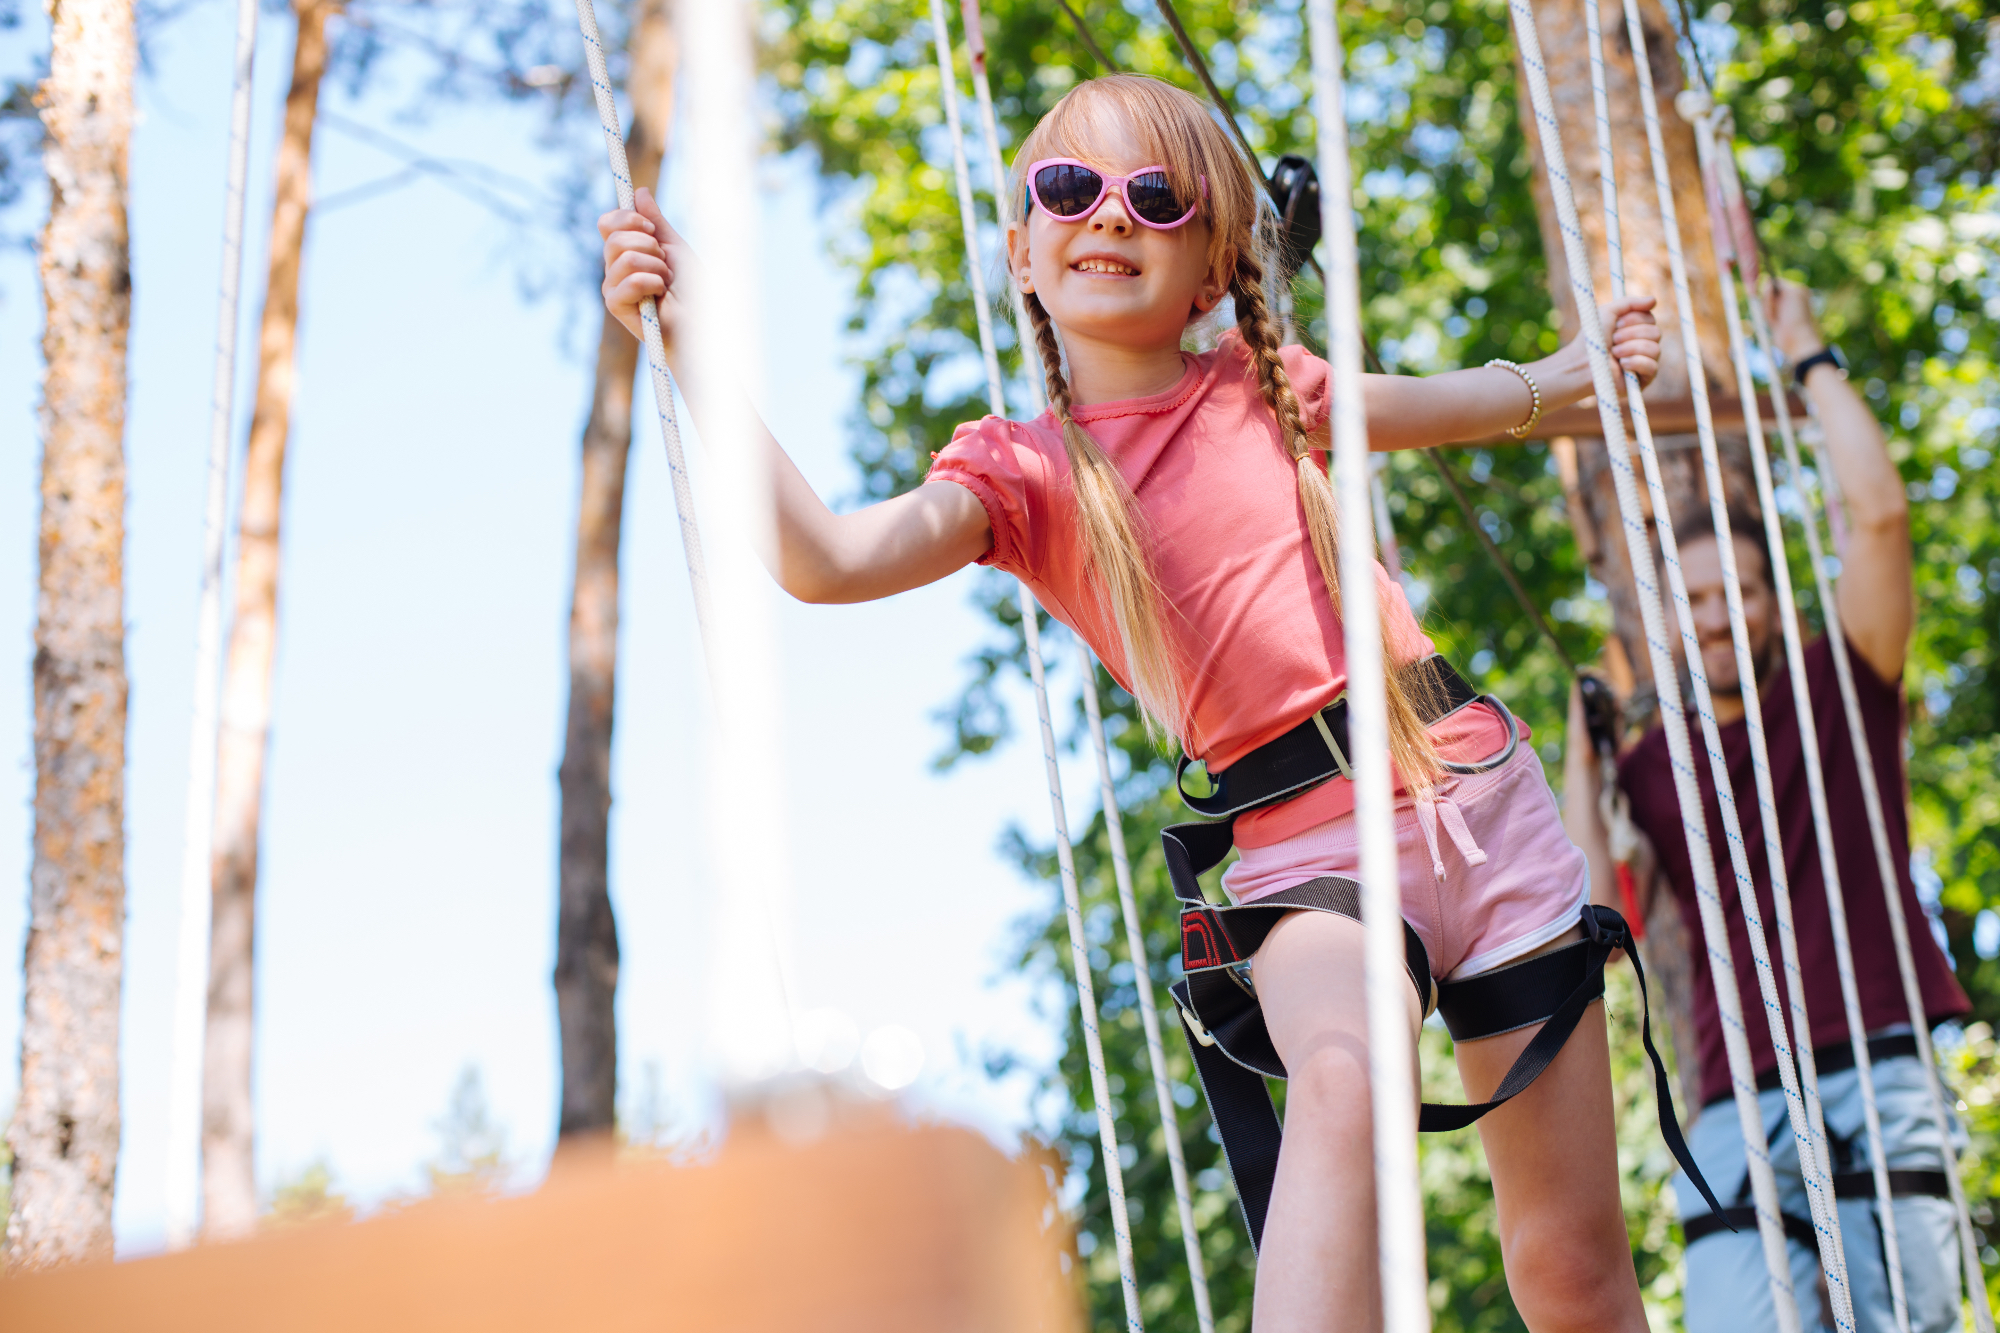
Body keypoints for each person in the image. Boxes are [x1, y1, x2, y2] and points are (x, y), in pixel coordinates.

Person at [601, 73, 1664, 1332]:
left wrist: (1584, 365)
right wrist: (691, 344)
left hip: (1475, 792)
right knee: (1338, 1083)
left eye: (1154, 198)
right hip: (1308, 857)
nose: (1108, 215)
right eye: (1070, 188)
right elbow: (825, 560)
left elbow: (1474, 405)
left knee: (1568, 1270)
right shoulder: (1021, 474)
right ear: (1023, 250)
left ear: (1211, 268)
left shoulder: (1268, 386)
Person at [1563, 278, 1971, 1333]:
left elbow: (1876, 519)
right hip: (1736, 1094)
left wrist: (1807, 355)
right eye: (1690, 602)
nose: (1715, 617)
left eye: (1737, 592)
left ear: (1771, 601)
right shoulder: (1652, 769)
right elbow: (1576, 914)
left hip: (1876, 1059)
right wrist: (1582, 736)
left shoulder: (1840, 685)